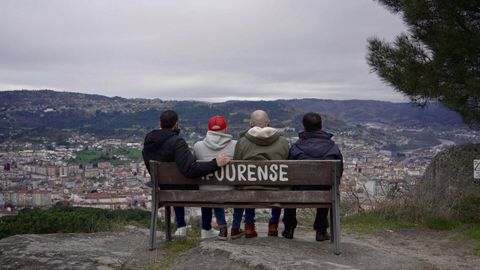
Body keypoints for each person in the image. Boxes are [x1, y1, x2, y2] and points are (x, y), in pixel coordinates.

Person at [142, 110, 230, 237]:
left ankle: (181, 227)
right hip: (180, 188)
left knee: (175, 183)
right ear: (176, 124)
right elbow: (191, 170)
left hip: (162, 189)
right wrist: (215, 163)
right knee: (203, 185)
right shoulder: (177, 142)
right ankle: (206, 228)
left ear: (160, 123)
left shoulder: (148, 141)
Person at [282, 112, 343, 241]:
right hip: (324, 193)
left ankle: (289, 228)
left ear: (304, 127)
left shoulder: (295, 147)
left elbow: (287, 173)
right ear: (321, 126)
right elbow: (338, 174)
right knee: (326, 186)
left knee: (290, 187)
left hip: (297, 192)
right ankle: (321, 230)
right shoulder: (333, 147)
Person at [232, 110, 289, 238]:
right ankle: (273, 225)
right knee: (279, 183)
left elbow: (236, 168)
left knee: (249, 183)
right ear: (269, 123)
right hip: (275, 189)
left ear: (251, 125)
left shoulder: (242, 142)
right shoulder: (283, 142)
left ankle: (249, 226)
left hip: (249, 189)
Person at [193, 115, 243, 240]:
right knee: (237, 189)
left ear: (208, 130)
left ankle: (222, 227)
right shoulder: (236, 145)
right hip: (231, 190)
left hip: (207, 191)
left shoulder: (198, 146)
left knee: (213, 187)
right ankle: (236, 227)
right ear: (226, 129)